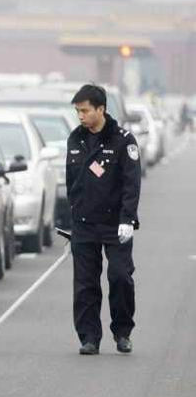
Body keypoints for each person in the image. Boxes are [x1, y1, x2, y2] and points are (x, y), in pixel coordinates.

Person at [66, 84, 141, 356]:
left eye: (85, 110)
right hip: (84, 223)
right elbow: (71, 182)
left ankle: (122, 332)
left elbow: (131, 184)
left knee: (120, 277)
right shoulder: (75, 139)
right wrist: (70, 218)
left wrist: (128, 219)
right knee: (85, 284)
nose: (81, 116)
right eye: (78, 111)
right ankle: (89, 337)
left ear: (101, 109)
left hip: (115, 224)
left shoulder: (123, 140)